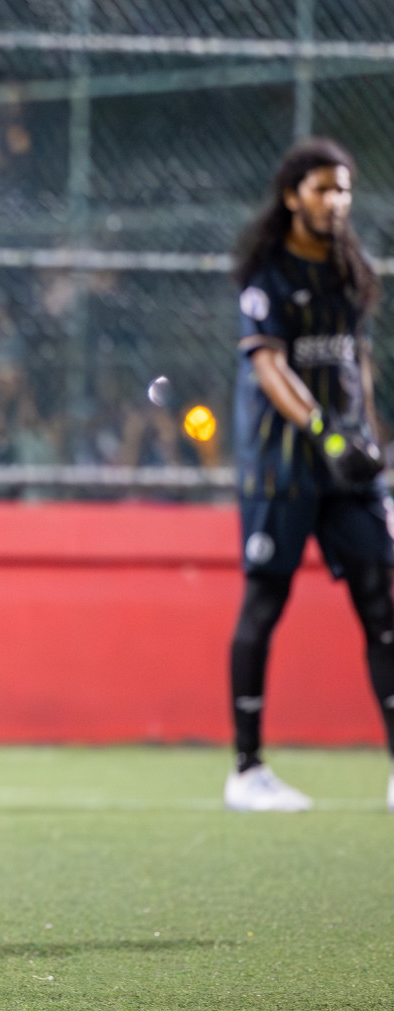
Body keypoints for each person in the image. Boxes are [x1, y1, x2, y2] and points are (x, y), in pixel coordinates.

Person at [227, 138, 394, 812]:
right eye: (324, 189)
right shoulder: (266, 275)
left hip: (347, 471)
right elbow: (270, 368)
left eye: (344, 190)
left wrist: (370, 442)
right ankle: (246, 769)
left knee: (381, 605)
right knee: (265, 603)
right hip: (283, 468)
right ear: (293, 195)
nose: (336, 202)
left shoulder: (350, 271)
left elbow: (356, 362)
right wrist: (325, 433)